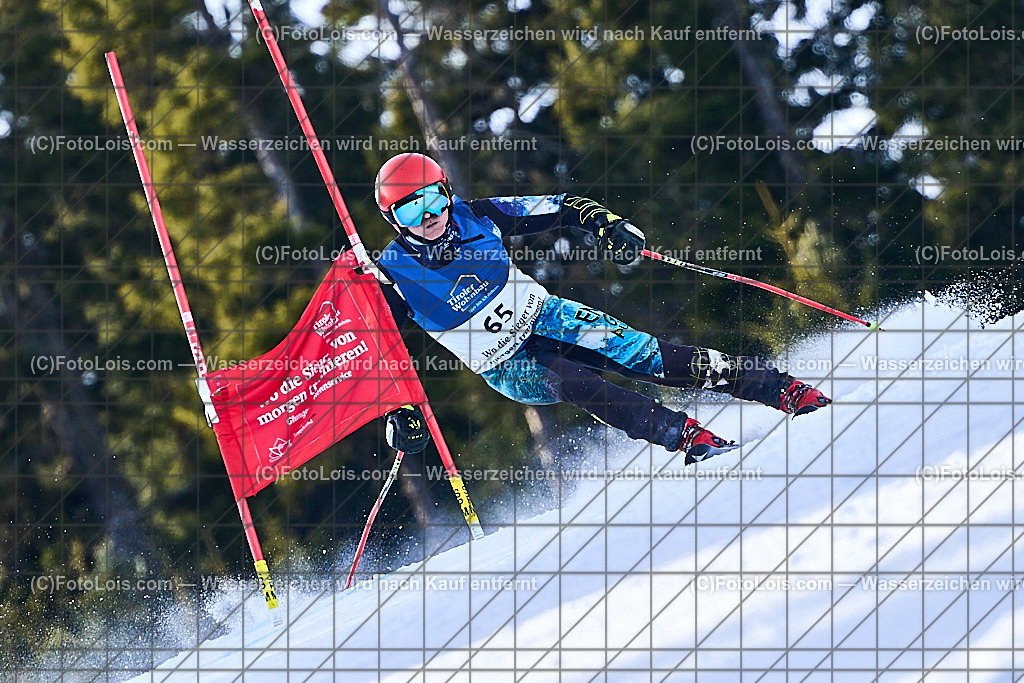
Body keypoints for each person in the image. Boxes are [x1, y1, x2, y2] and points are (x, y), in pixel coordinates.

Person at [373, 153, 830, 463]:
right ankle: (685, 437)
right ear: (394, 220)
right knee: (576, 383)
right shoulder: (392, 276)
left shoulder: (482, 216)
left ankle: (782, 390)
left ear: (446, 193)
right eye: (412, 212)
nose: (429, 216)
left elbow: (565, 206)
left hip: (547, 316)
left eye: (433, 200)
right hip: (507, 364)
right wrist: (398, 411)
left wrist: (608, 226)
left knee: (647, 355)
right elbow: (375, 353)